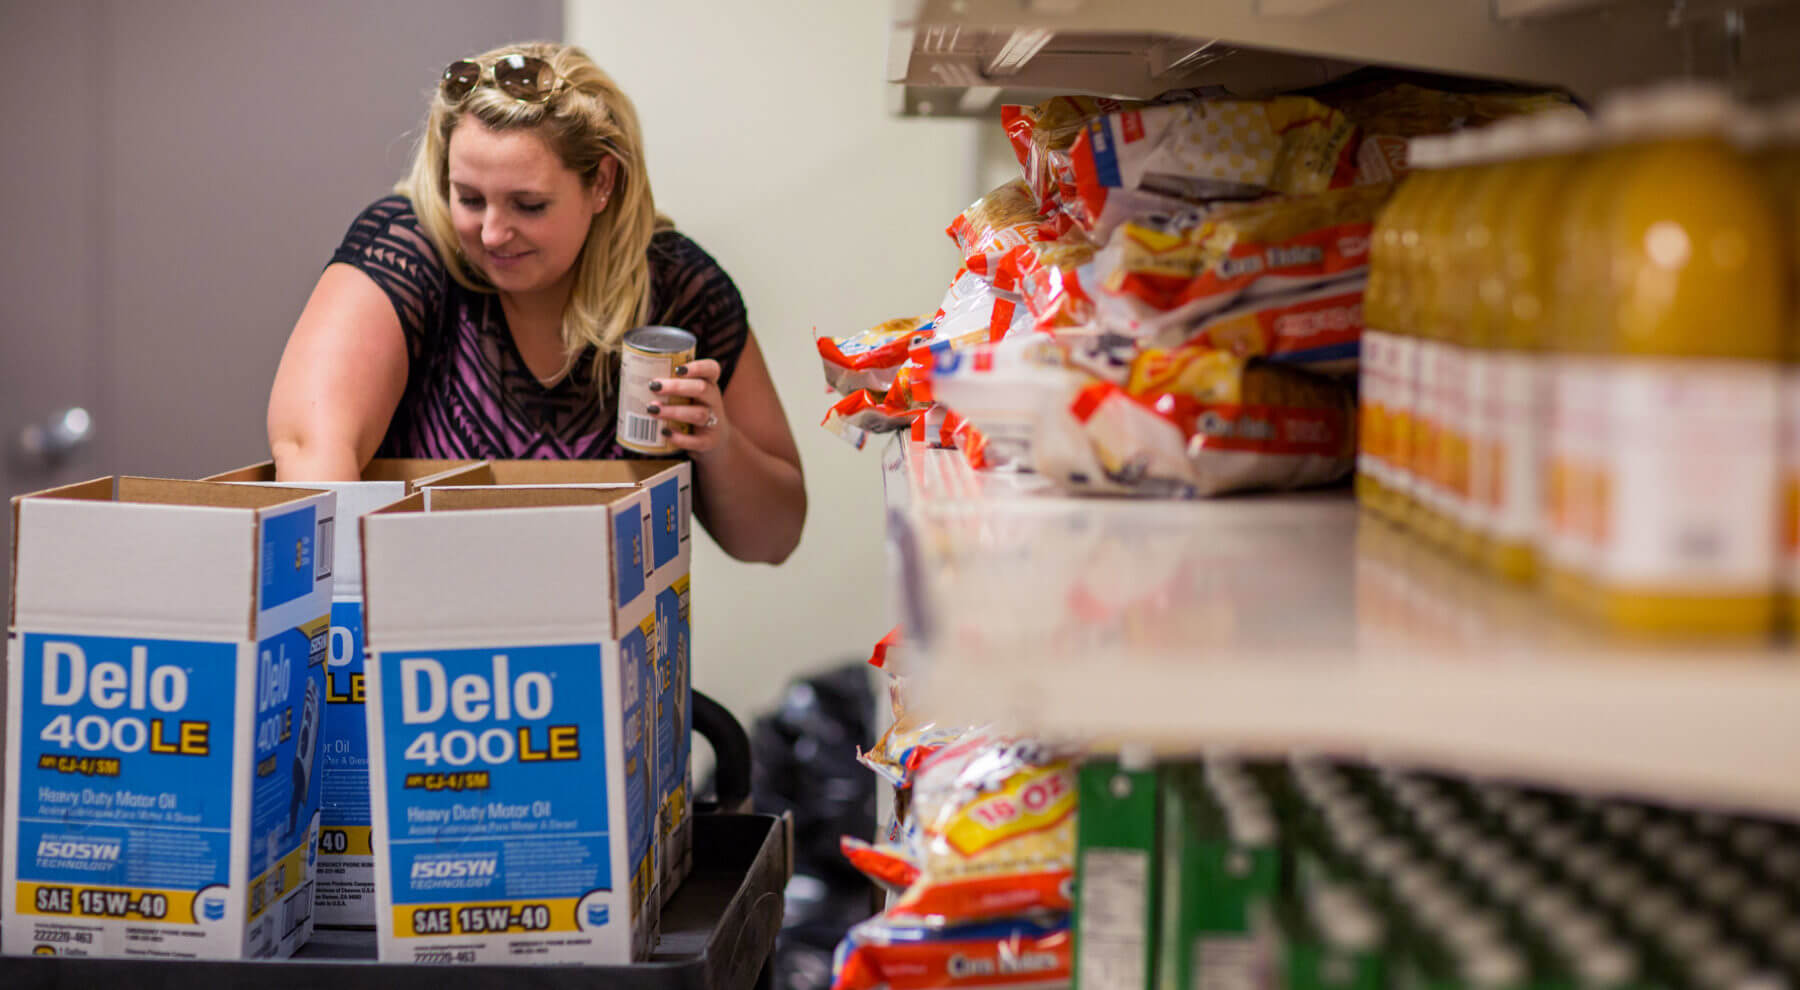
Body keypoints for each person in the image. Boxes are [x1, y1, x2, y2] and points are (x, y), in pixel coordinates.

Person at [267, 42, 804, 564]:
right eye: (470, 199)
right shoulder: (406, 250)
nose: (494, 234)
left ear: (602, 183)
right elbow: (310, 450)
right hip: (406, 639)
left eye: (528, 205)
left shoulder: (677, 287)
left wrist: (718, 445)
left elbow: (772, 541)